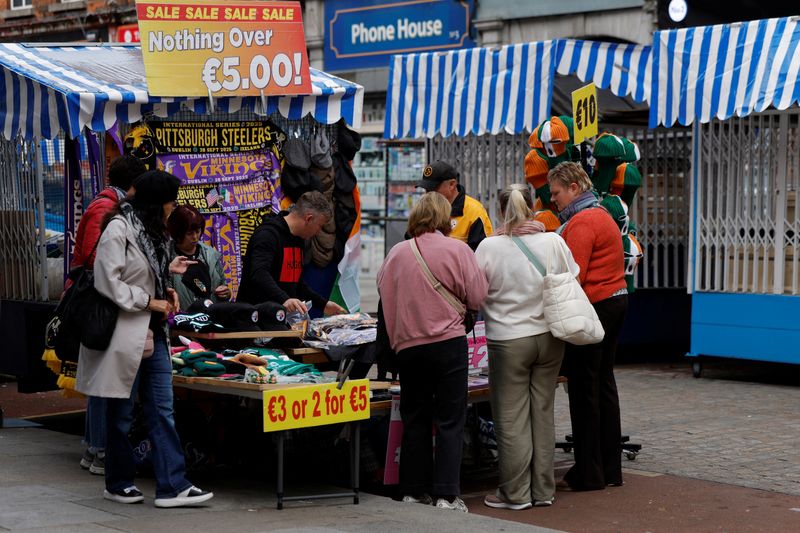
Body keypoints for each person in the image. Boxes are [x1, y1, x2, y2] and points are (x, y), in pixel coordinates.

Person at [75, 170, 214, 508]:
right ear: (156, 202)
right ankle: (118, 482)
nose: (174, 207)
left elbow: (149, 274)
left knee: (162, 409)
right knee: (121, 414)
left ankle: (173, 485)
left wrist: (165, 286)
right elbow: (108, 282)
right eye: (171, 201)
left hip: (156, 335)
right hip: (125, 334)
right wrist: (148, 300)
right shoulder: (119, 228)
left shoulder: (155, 233)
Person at [377, 192, 488, 513]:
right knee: (451, 418)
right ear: (445, 219)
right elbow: (478, 296)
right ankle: (446, 494)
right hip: (448, 343)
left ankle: (413, 489)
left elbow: (385, 294)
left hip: (409, 348)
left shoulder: (397, 252)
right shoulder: (458, 249)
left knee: (415, 417)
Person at [475, 184, 579, 509]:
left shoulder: (489, 248)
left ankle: (516, 493)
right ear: (533, 206)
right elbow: (571, 277)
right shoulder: (553, 241)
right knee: (542, 413)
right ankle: (543, 491)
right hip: (550, 338)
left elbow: (475, 293)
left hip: (508, 340)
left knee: (511, 418)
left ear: (500, 209)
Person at [547, 161, 628, 492]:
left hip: (594, 308)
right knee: (604, 384)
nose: (553, 200)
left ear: (574, 188)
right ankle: (610, 468)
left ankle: (589, 472)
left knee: (583, 389)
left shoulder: (581, 222)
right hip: (616, 301)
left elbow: (572, 275)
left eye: (556, 193)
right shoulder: (601, 215)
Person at [72, 155, 146, 477]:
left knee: (101, 380)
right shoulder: (107, 210)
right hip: (103, 307)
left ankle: (93, 447)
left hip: (103, 304)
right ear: (133, 185)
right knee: (105, 381)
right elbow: (98, 264)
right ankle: (100, 448)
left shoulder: (104, 205)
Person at [238, 190, 346, 315]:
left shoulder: (298, 239)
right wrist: (285, 299)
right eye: (320, 226)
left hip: (281, 319)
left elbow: (296, 283)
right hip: (255, 318)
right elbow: (259, 273)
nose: (318, 232)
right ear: (309, 219)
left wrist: (324, 304)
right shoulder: (267, 235)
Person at [417, 160, 493, 251]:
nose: (428, 193)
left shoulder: (474, 211)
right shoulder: (424, 209)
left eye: (433, 188)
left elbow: (483, 253)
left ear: (452, 184)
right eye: (426, 189)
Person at [167, 204, 230, 310]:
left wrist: (226, 293)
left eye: (198, 231)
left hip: (211, 321)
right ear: (178, 233)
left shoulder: (211, 255)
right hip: (181, 322)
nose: (195, 237)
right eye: (189, 233)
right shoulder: (166, 256)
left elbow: (223, 285)